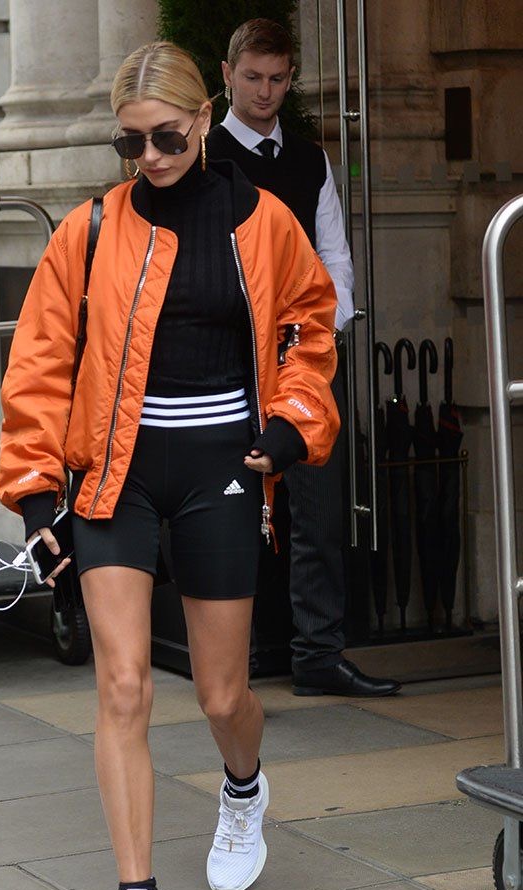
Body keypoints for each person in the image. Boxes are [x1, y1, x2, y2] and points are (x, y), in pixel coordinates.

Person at [0, 41, 339, 890]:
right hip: (117, 477)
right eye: (129, 143)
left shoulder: (261, 220)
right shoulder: (91, 231)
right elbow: (39, 362)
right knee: (122, 688)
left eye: (164, 137)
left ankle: (243, 789)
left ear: (202, 119)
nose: (148, 157)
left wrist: (293, 423)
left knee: (223, 697)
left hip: (223, 469)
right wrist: (36, 495)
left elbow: (310, 326)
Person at [207, 18, 401, 698]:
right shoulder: (202, 158)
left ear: (290, 79)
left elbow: (334, 258)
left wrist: (318, 332)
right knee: (229, 509)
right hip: (228, 361)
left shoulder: (311, 160)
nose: (264, 91)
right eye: (252, 78)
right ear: (227, 75)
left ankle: (318, 653)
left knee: (319, 508)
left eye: (277, 79)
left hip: (304, 358)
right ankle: (240, 656)